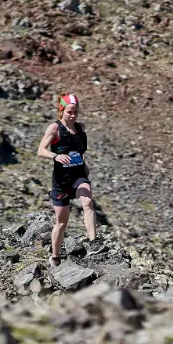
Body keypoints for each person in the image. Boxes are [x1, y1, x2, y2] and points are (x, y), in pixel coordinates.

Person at [37, 92, 105, 266]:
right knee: (61, 222)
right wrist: (55, 156)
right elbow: (40, 150)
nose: (73, 115)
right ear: (61, 111)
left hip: (78, 175)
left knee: (88, 202)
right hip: (61, 180)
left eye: (75, 112)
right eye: (69, 112)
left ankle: (93, 242)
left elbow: (81, 152)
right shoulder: (55, 128)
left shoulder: (80, 129)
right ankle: (55, 256)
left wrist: (84, 166)